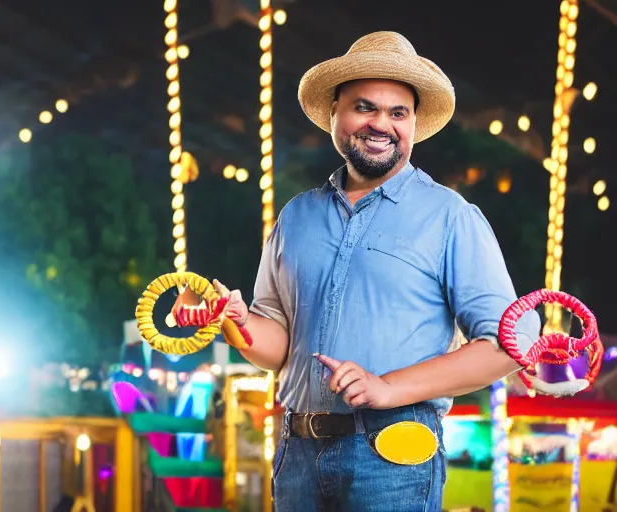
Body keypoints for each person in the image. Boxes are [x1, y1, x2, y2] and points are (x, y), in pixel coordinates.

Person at [179, 31, 541, 511]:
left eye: (398, 113)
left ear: (413, 123)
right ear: (334, 114)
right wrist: (232, 321)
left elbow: (510, 343)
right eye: (365, 107)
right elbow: (280, 348)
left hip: (395, 452)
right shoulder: (295, 218)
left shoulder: (450, 216)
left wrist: (387, 387)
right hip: (297, 450)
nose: (381, 125)